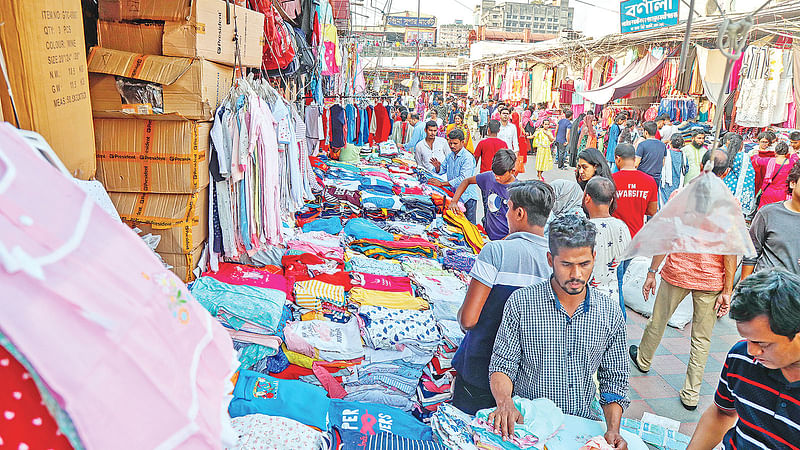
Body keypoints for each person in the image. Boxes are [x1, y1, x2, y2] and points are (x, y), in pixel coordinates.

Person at [487, 214, 629, 449]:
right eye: (566, 265)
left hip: (581, 427)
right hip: (530, 428)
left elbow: (614, 380)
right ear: (550, 259)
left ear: (594, 257)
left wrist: (613, 430)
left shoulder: (610, 313)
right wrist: (505, 403)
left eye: (584, 264)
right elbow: (502, 365)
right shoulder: (521, 303)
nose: (576, 275)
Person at [630, 150, 737, 411]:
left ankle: (644, 359)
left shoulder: (681, 196)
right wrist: (728, 289)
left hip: (676, 272)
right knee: (701, 339)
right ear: (725, 173)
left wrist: (652, 272)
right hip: (711, 281)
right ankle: (691, 394)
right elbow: (731, 252)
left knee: (658, 320)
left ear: (701, 166)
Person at [452, 181, 555, 414]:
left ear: (520, 213)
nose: (506, 214)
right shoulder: (556, 261)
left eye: (508, 208)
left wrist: (459, 313)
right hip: (528, 377)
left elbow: (468, 320)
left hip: (481, 366)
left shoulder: (496, 251)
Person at [687, 270, 800, 450]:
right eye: (748, 339)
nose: (751, 351)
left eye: (763, 343)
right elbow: (722, 412)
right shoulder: (741, 357)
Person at [612, 143, 658, 312]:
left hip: (615, 238)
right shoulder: (649, 181)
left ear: (617, 159)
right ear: (634, 159)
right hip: (636, 238)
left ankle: (619, 316)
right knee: (619, 277)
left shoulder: (612, 180)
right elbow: (652, 211)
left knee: (615, 282)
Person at [741, 160, 800, 280]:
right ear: (793, 183)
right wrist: (743, 288)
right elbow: (751, 253)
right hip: (765, 290)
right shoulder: (768, 213)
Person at [584, 177, 631, 316]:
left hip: (588, 299)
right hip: (613, 299)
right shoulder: (622, 227)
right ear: (611, 201)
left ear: (587, 198)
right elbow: (626, 259)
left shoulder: (584, 229)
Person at [449, 149, 518, 241]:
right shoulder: (489, 177)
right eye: (495, 173)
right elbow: (466, 181)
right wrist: (454, 201)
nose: (496, 177)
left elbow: (520, 229)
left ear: (512, 171)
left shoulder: (518, 191)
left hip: (507, 240)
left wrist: (500, 243)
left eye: (501, 175)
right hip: (488, 234)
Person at [430, 128, 479, 224]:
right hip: (455, 196)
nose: (452, 146)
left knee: (469, 225)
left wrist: (442, 184)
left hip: (467, 197)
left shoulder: (467, 158)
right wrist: (437, 167)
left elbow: (463, 179)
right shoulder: (450, 155)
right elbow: (442, 170)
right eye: (450, 143)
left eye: (455, 143)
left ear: (462, 142)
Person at [752, 141, 799, 209]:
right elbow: (797, 159)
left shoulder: (768, 161)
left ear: (775, 152)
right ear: (787, 153)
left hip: (768, 192)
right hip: (784, 194)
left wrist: (756, 154)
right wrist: (793, 153)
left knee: (765, 212)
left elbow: (757, 160)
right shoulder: (792, 162)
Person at [721, 133, 757, 217]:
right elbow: (749, 175)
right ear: (741, 145)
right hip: (737, 188)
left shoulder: (725, 154)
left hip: (726, 184)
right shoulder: (743, 157)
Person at [635, 121, 667, 186]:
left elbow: (636, 164)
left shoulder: (642, 145)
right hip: (656, 178)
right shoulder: (662, 145)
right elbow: (663, 163)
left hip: (643, 177)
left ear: (646, 132)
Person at [660, 134, 688, 208]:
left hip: (666, 183)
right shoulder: (683, 155)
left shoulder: (665, 153)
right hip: (678, 183)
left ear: (670, 142)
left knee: (665, 204)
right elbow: (686, 169)